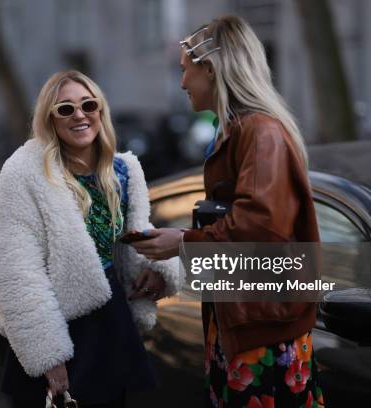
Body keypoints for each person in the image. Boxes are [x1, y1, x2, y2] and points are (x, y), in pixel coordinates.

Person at [131, 16, 325, 407]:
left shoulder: (260, 133)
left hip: (261, 332)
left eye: (185, 71)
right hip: (245, 323)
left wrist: (183, 244)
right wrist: (175, 261)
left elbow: (259, 230)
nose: (182, 83)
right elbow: (229, 228)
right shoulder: (240, 130)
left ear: (211, 69)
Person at [0, 71, 179, 407]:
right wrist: (48, 354)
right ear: (49, 119)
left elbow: (135, 240)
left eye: (88, 105)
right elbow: (14, 274)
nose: (80, 115)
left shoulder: (124, 172)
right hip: (58, 327)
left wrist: (158, 271)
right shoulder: (24, 177)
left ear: (101, 111)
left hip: (112, 322)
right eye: (66, 109)